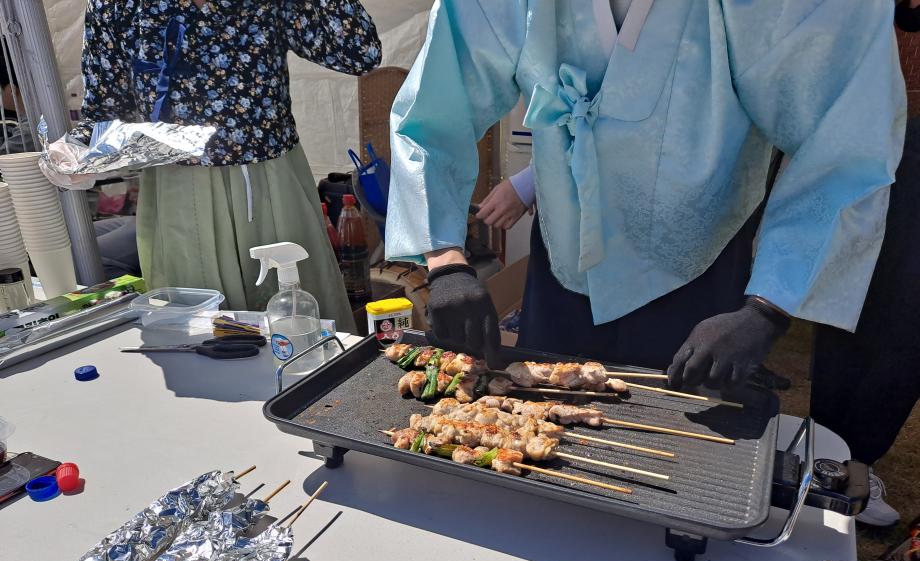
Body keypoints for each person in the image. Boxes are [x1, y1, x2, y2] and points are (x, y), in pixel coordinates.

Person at [385, 0, 906, 397]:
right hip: (565, 254)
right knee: (538, 414)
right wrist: (445, 258)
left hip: (696, 266)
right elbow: (436, 107)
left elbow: (843, 138)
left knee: (678, 458)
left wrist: (769, 305)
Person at [71, 0, 382, 322]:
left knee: (298, 323)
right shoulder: (118, 4)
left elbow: (358, 53)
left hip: (271, 183)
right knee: (196, 332)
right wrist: (78, 153)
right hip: (178, 193)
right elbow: (105, 108)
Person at [810, 0, 920, 527]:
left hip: (897, 130)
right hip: (872, 126)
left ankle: (854, 461)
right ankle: (824, 454)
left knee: (908, 320)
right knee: (852, 289)